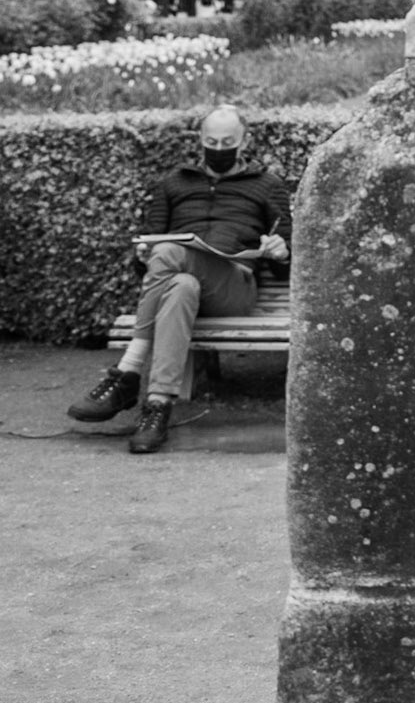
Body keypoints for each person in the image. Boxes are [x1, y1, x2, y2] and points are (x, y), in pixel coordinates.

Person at [67, 105, 291, 455]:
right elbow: (150, 259)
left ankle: (128, 370)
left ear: (244, 140)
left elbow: (286, 265)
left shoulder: (268, 186)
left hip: (234, 288)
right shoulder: (173, 183)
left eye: (228, 141)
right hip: (181, 284)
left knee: (170, 252)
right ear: (200, 140)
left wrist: (280, 251)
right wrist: (142, 256)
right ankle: (157, 406)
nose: (219, 148)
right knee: (180, 284)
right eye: (212, 141)